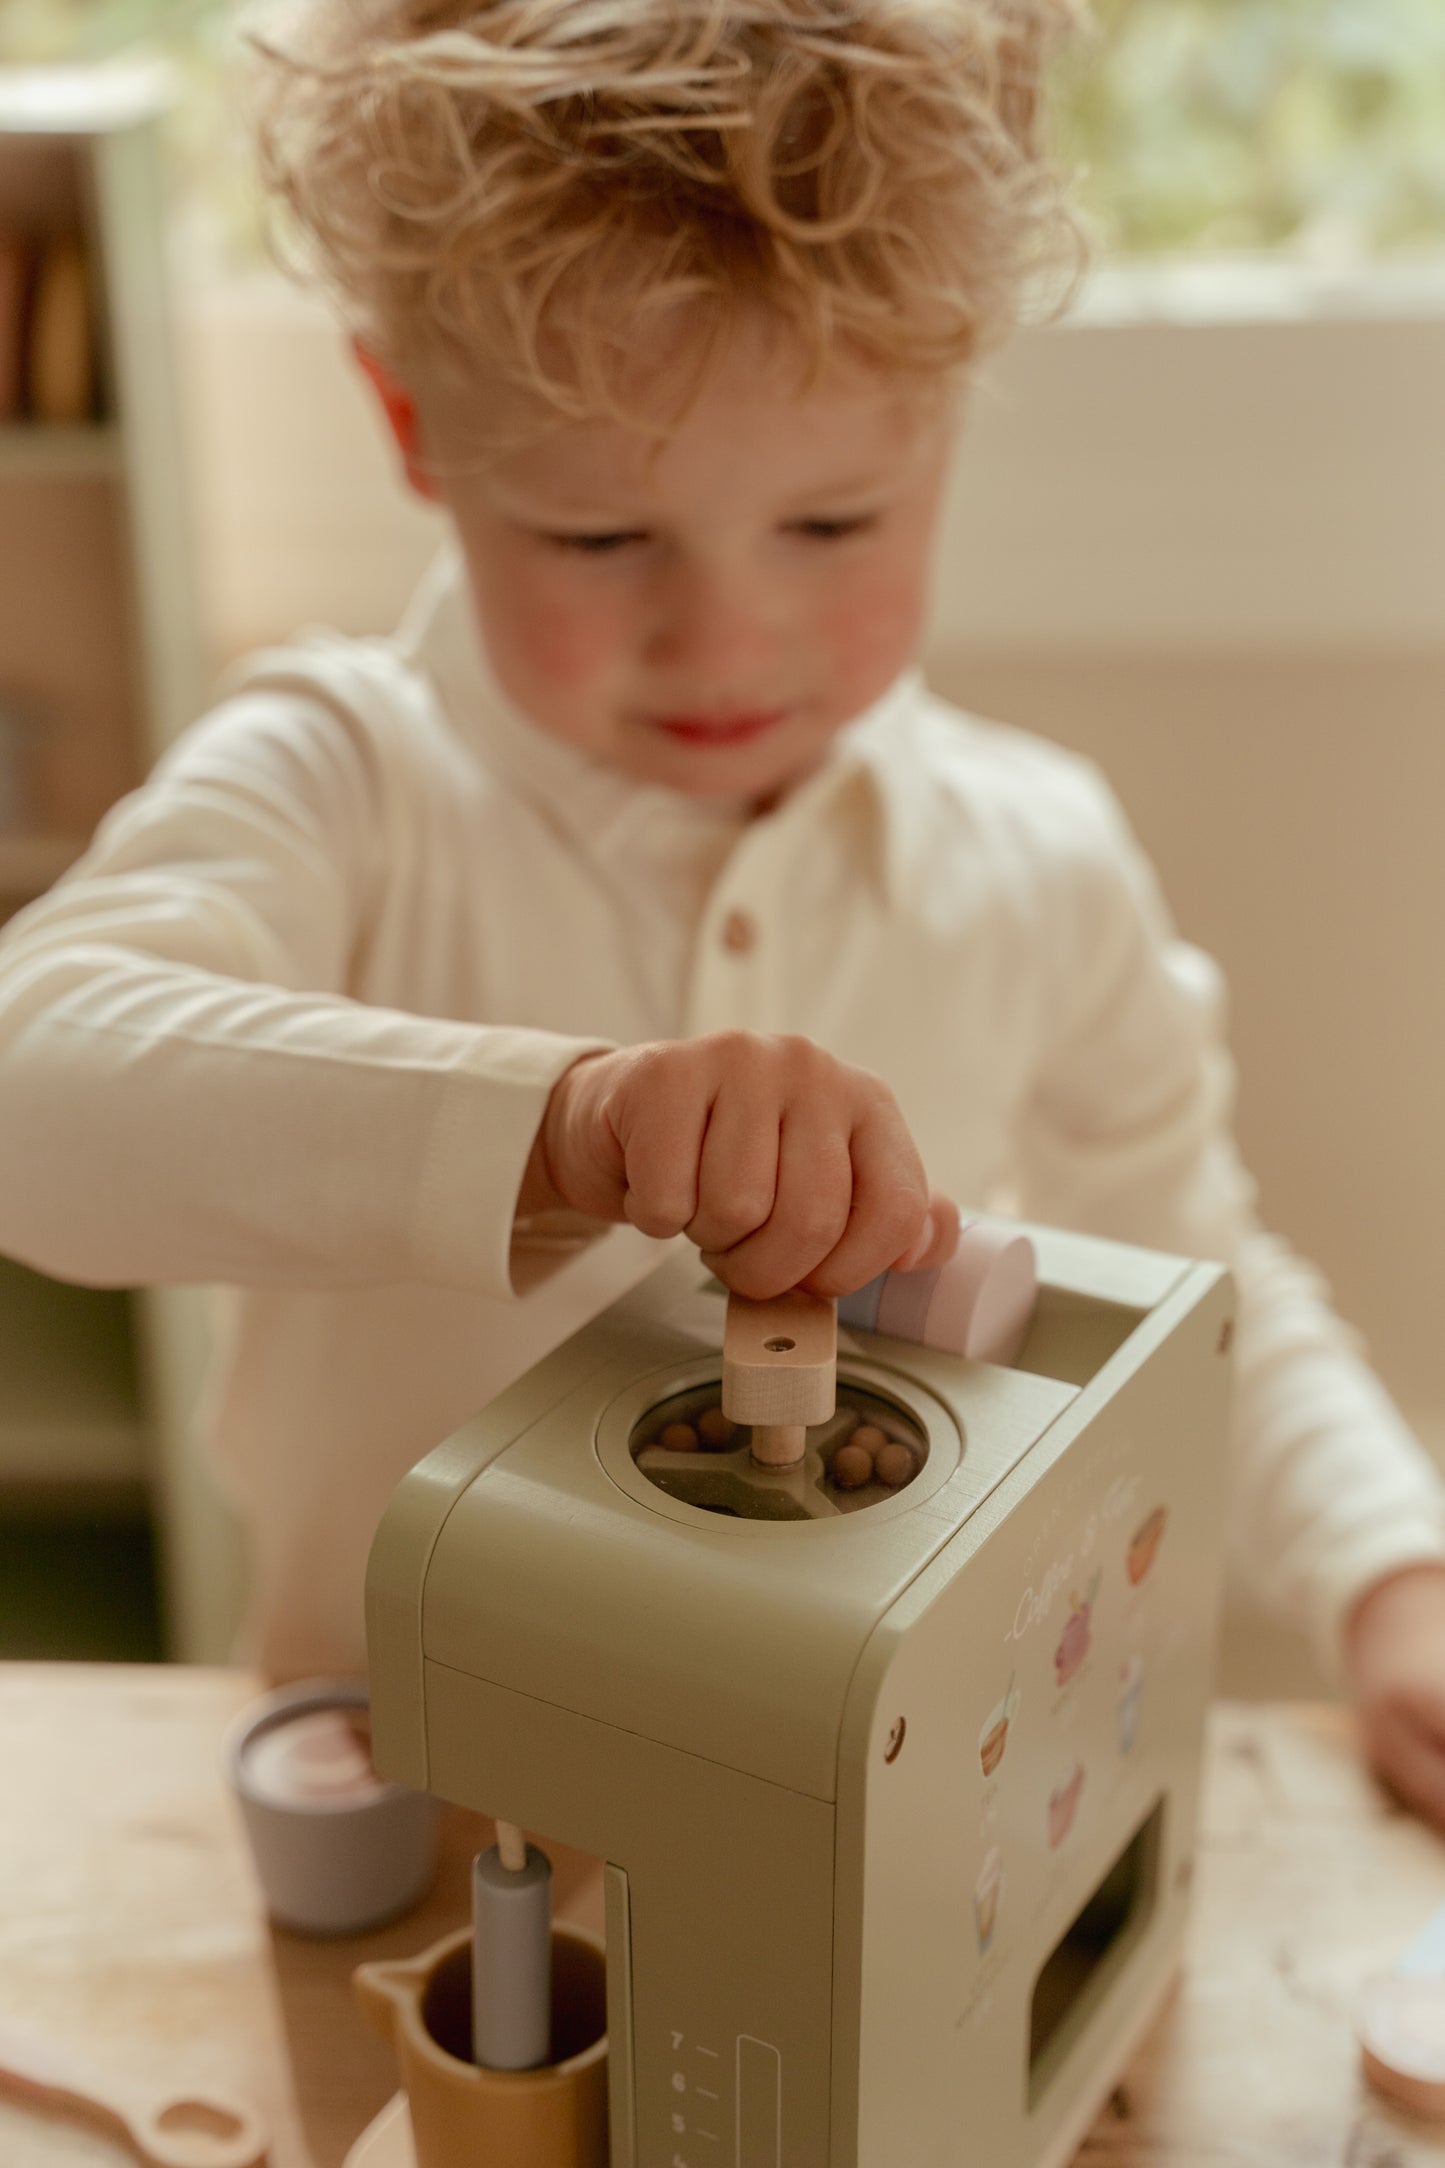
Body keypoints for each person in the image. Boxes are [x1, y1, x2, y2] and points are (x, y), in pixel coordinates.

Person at [1, 0, 1443, 1822]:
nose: (724, 637)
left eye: (832, 525)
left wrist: (1393, 1576)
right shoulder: (341, 777)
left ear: (945, 424)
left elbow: (1204, 1279)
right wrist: (559, 1125)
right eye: (599, 539)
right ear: (412, 423)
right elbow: (34, 1090)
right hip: (407, 1807)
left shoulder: (1035, 860)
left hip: (868, 1827)